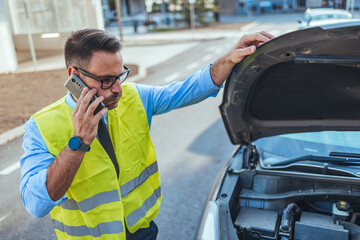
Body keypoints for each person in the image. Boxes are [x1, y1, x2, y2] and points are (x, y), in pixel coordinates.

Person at [19, 28, 273, 240]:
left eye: (120, 75)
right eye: (106, 80)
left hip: (142, 232)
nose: (117, 88)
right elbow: (37, 204)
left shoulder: (135, 97)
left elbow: (189, 89)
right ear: (75, 76)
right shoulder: (41, 127)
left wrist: (229, 58)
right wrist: (79, 143)